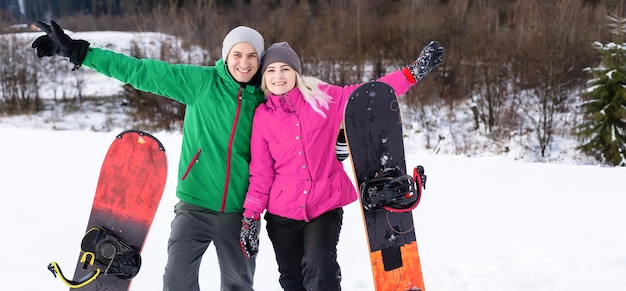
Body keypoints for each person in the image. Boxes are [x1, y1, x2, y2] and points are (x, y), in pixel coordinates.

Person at [31, 20, 266, 291]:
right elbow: (140, 71)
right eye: (237, 54)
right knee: (177, 282)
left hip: (242, 213)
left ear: (260, 60)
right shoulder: (201, 82)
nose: (244, 63)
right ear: (226, 56)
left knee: (240, 284)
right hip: (195, 207)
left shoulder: (266, 97)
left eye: (252, 56)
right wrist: (80, 52)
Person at [239, 41, 444, 290]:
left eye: (285, 69)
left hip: (324, 205)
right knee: (292, 280)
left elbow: (370, 94)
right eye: (271, 70)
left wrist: (411, 73)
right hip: (282, 214)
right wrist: (250, 218)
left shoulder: (323, 99)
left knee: (320, 266)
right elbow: (261, 172)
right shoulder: (262, 116)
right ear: (264, 77)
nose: (278, 76)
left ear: (296, 73)